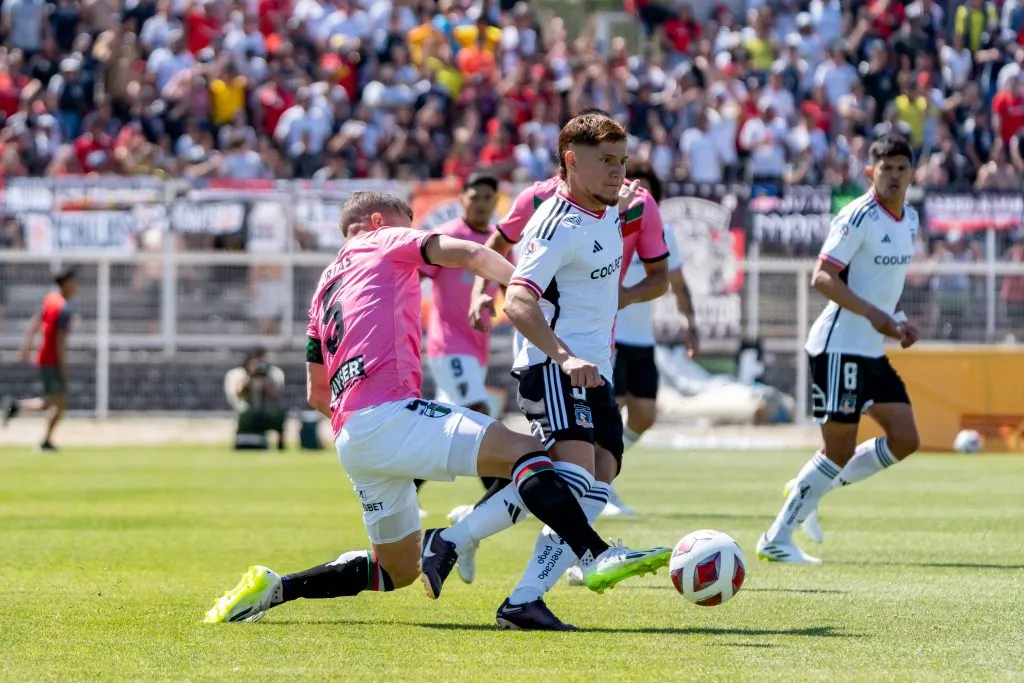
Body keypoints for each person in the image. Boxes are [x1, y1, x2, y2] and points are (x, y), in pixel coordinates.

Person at [203, 192, 667, 624]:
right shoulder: (382, 238)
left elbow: (316, 394)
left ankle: (277, 588)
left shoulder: (325, 287)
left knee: (395, 570)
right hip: (389, 413)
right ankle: (594, 554)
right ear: (379, 222)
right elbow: (466, 252)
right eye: (409, 227)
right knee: (529, 454)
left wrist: (375, 433)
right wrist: (531, 288)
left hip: (352, 437)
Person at [434, 114, 672, 631]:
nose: (618, 172)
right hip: (553, 368)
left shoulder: (610, 208)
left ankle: (478, 559)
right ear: (571, 161)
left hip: (596, 370)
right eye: (606, 161)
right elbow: (518, 300)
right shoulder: (554, 222)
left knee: (594, 487)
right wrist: (564, 357)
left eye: (621, 160)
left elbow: (655, 276)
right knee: (576, 478)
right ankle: (490, 566)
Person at [757, 134, 921, 564]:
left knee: (905, 439)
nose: (894, 176)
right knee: (838, 450)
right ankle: (776, 538)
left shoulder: (911, 219)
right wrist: (875, 316)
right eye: (886, 168)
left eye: (902, 168)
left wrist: (897, 320)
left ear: (912, 172)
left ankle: (809, 487)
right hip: (838, 347)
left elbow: (880, 287)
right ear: (871, 172)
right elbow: (823, 277)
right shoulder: (857, 216)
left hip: (870, 346)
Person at [417, 171, 506, 581]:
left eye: (490, 196)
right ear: (464, 197)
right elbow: (417, 277)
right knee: (481, 417)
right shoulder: (447, 238)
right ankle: (477, 518)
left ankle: (406, 499)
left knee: (440, 431)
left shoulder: (495, 243)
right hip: (447, 346)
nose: (483, 202)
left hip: (476, 350)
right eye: (476, 195)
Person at [599, 164, 698, 518]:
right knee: (613, 411)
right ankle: (601, 487)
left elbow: (677, 283)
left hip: (642, 339)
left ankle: (605, 472)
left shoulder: (663, 231)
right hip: (611, 338)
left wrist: (691, 322)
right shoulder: (607, 223)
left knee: (644, 415)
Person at [2, 268, 78, 452]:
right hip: (52, 361)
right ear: (66, 283)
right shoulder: (64, 307)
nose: (76, 286)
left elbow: (35, 323)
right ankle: (45, 442)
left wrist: (26, 346)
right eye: (74, 282)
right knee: (59, 403)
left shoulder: (51, 299)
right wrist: (63, 367)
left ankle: (16, 406)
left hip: (44, 357)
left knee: (55, 401)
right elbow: (59, 341)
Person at [224, 347, 287, 450]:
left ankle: (280, 444)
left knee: (280, 411)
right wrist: (249, 378)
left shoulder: (273, 374)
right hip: (249, 410)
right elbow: (238, 393)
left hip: (266, 410)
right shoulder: (239, 374)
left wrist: (265, 384)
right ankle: (239, 443)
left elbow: (275, 396)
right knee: (243, 411)